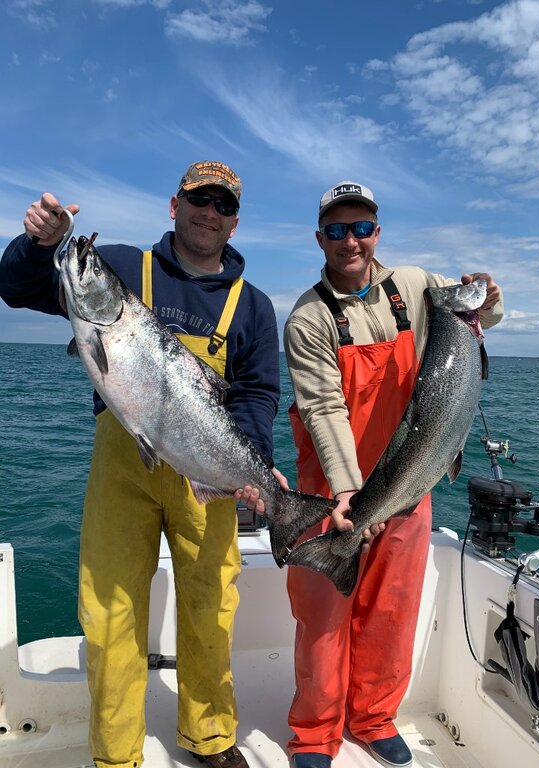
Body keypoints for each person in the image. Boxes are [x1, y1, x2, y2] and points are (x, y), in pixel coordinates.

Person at [0, 161, 286, 768]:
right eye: (197, 199)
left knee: (210, 610)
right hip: (122, 469)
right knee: (110, 614)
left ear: (235, 222)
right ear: (173, 205)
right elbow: (17, 289)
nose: (208, 212)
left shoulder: (254, 307)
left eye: (222, 204)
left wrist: (255, 465)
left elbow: (257, 394)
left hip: (206, 470)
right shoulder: (125, 268)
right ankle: (116, 754)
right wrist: (39, 245)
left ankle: (211, 737)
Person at [282, 180, 504, 768]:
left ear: (376, 232)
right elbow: (324, 408)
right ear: (320, 238)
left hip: (414, 473)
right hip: (332, 486)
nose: (349, 240)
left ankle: (374, 717)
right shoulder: (307, 318)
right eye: (336, 229)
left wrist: (487, 300)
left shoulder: (416, 286)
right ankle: (314, 733)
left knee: (392, 609)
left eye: (360, 228)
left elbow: (483, 316)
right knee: (324, 617)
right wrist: (350, 496)